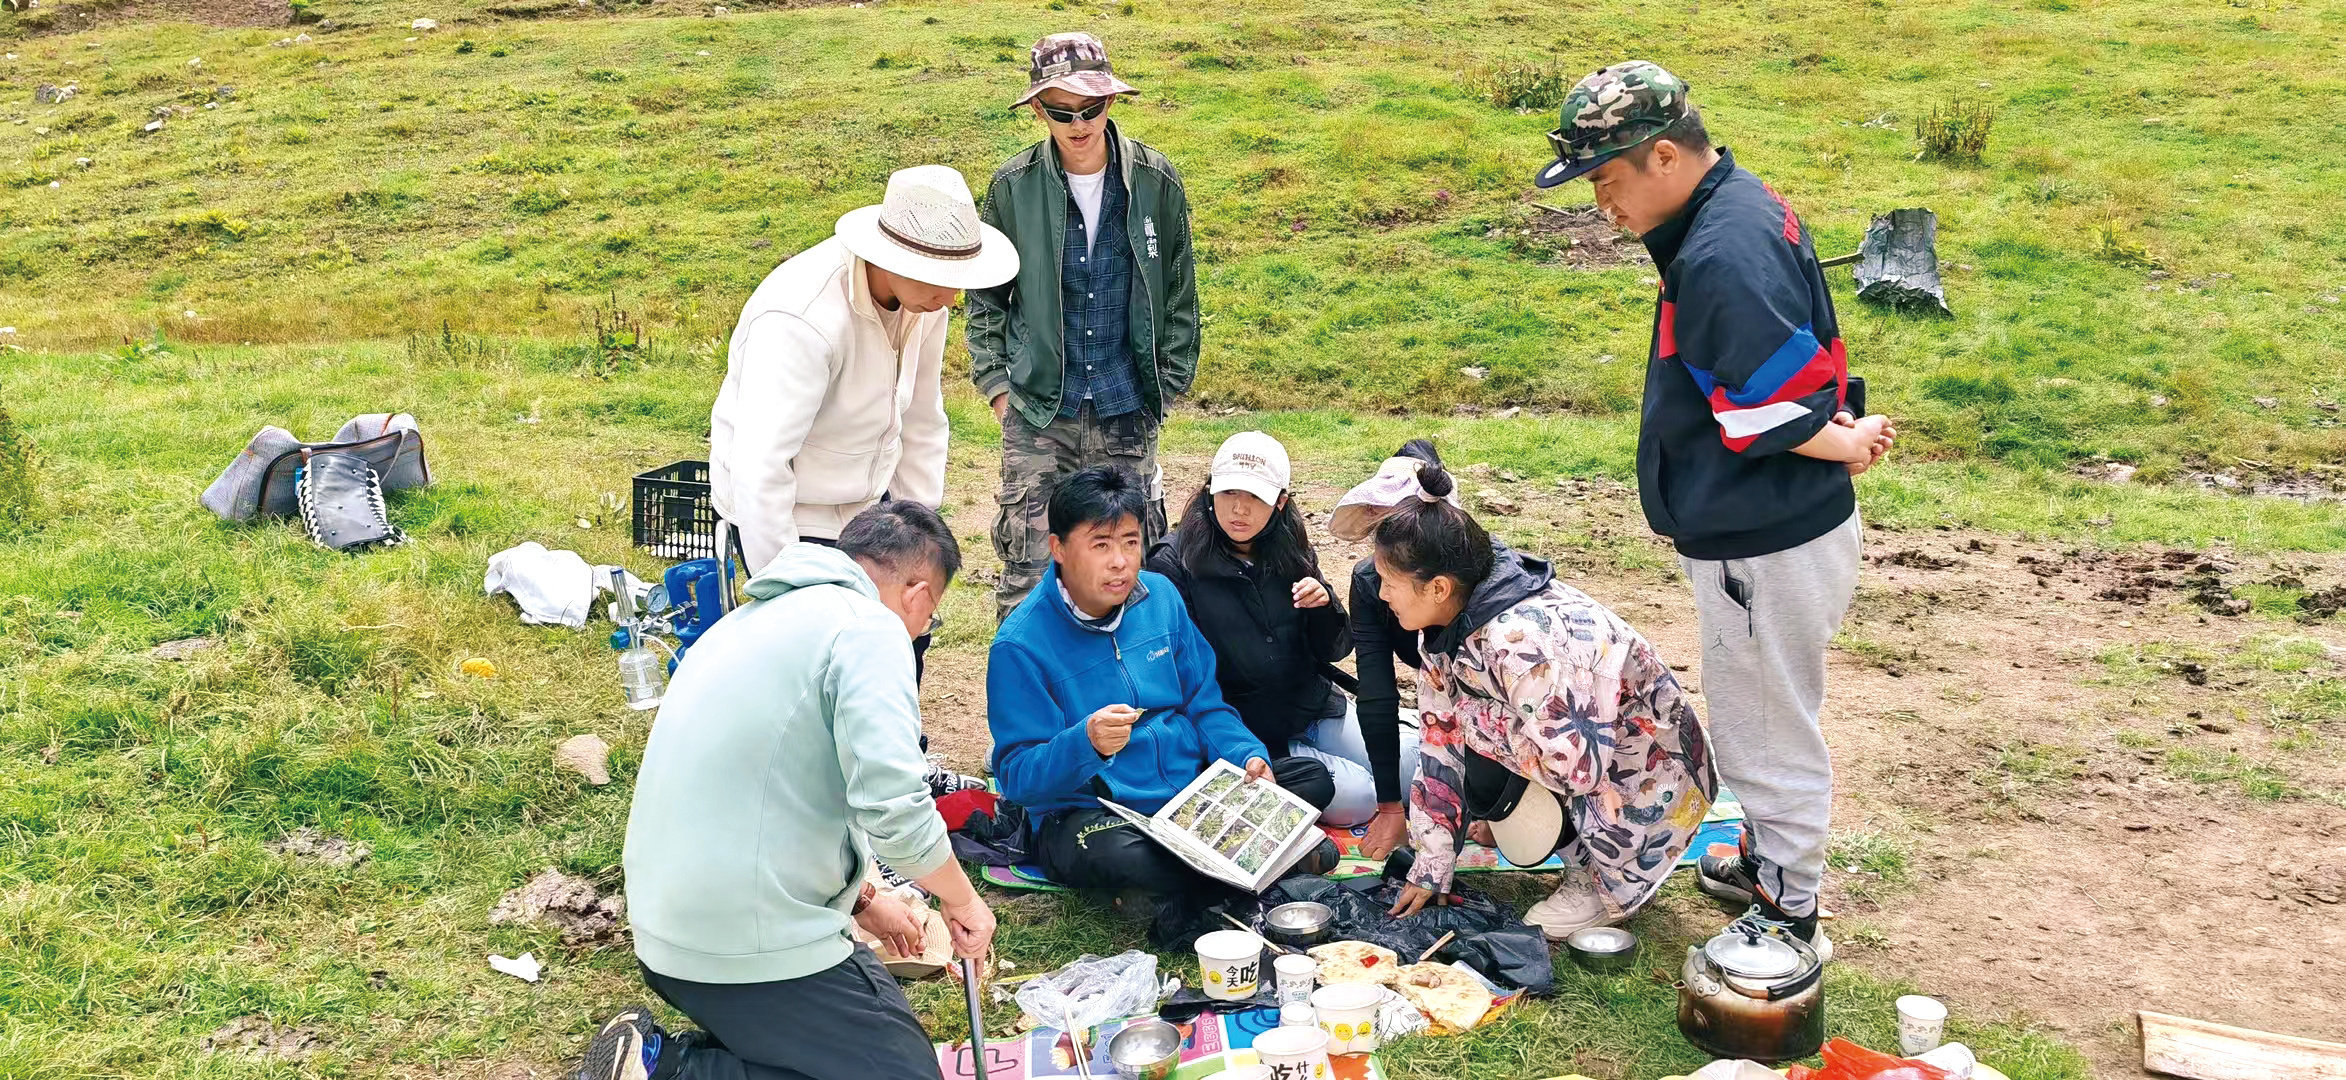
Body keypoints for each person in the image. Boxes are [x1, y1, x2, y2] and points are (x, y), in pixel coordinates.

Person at [1532, 60, 1898, 957]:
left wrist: (1840, 438)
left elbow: (1763, 405)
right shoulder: (1733, 203)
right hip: (1776, 522)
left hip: (1763, 536)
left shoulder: (1719, 252)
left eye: (1608, 183)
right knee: (1765, 707)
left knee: (1763, 726)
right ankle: (1768, 860)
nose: (1603, 208)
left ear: (1663, 155)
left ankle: (1789, 907)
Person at [575, 502, 996, 1080]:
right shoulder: (868, 628)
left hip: (672, 929)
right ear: (919, 595)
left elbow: (774, 788)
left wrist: (866, 900)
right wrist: (962, 900)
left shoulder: (754, 618)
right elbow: (896, 806)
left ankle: (691, 1049)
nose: (923, 630)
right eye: (932, 618)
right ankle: (664, 1070)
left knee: (887, 1038)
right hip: (736, 943)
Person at [1365, 460, 1719, 941]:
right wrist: (1432, 864)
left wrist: (1468, 719)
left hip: (1649, 775)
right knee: (1469, 745)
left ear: (1439, 587)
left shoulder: (1521, 644)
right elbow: (1436, 741)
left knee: (1478, 739)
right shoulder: (1444, 629)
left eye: (1389, 580)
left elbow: (1576, 769)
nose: (1380, 592)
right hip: (1581, 760)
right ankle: (1579, 852)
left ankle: (1604, 882)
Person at [987, 465, 1337, 944]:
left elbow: (1204, 702)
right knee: (1121, 855)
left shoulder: (1162, 598)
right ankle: (1258, 865)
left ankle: (1188, 884)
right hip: (1095, 812)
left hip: (1186, 794)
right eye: (1101, 544)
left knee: (1310, 780)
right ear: (1059, 549)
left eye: (1131, 542)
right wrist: (1085, 742)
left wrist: (1245, 755)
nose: (1120, 563)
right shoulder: (1021, 645)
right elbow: (1020, 777)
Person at [707, 163, 1018, 675]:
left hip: (870, 508)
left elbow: (922, 417)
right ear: (893, 257)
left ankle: (895, 750)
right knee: (823, 657)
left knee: (903, 636)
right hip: (793, 514)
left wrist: (915, 527)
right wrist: (787, 587)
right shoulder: (802, 318)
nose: (955, 297)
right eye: (944, 279)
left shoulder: (926, 305)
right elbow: (760, 468)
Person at [965, 31, 1200, 623]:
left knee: (1129, 569)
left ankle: (1128, 705)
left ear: (1110, 103)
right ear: (1039, 110)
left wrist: (1164, 387)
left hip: (1128, 405)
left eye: (1089, 108)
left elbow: (1179, 294)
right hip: (1041, 409)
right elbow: (985, 298)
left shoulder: (1156, 182)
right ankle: (1030, 707)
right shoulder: (1010, 188)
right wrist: (999, 389)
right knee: (1028, 567)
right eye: (1062, 111)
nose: (1078, 123)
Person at [1146, 431, 1399, 826]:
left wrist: (1324, 606)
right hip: (1240, 726)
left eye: (1255, 497)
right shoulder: (1173, 564)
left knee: (1405, 768)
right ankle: (1288, 770)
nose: (1239, 510)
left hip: (1309, 704)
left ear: (1281, 502)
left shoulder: (1290, 548)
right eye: (1229, 493)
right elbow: (1181, 677)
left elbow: (1334, 650)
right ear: (1209, 491)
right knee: (1361, 797)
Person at [1325, 440, 1513, 861]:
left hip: (1503, 710)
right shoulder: (1372, 583)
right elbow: (1378, 693)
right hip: (1442, 703)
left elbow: (1520, 713)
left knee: (1488, 786)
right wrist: (1390, 806)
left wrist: (1502, 808)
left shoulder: (1485, 581)